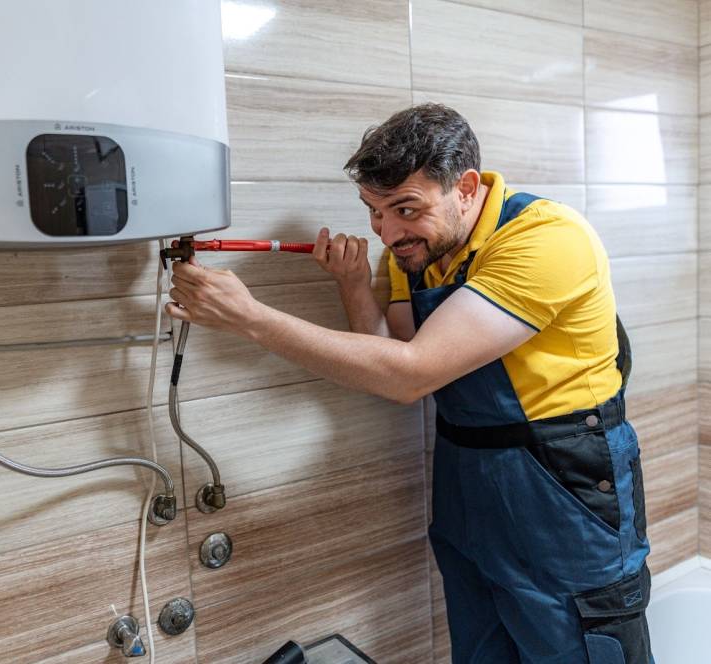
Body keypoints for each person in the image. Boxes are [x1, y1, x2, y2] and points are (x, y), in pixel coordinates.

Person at [165, 103, 652, 664]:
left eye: (405, 209)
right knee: (483, 650)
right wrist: (353, 283)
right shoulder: (414, 250)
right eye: (374, 211)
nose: (388, 232)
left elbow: (411, 374)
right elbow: (393, 356)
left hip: (564, 481)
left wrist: (251, 319)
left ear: (465, 188)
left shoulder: (546, 239)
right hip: (467, 476)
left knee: (583, 645)